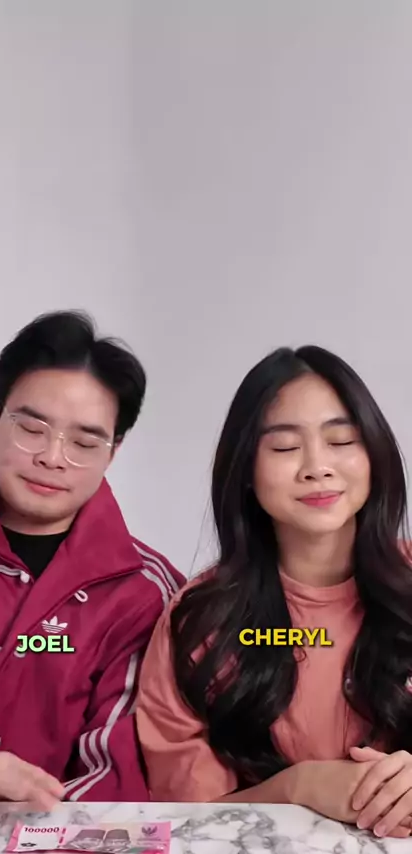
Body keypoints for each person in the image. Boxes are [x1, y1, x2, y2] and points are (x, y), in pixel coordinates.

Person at [137, 345, 412, 839]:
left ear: (374, 452)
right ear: (246, 470)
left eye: (342, 440)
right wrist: (298, 786)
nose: (317, 467)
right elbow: (185, 819)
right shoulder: (203, 620)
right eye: (285, 448)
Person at [0, 310, 183, 809]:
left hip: (60, 835)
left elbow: (119, 774)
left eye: (85, 442)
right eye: (32, 429)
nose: (52, 457)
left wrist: (31, 829)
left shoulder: (146, 593)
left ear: (113, 451)